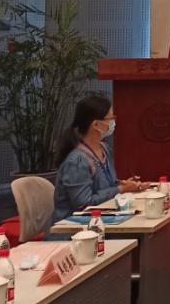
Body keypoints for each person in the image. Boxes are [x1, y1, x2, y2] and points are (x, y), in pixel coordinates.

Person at [52, 94, 146, 224]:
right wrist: (120, 189)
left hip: (101, 219)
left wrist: (124, 185)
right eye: (111, 119)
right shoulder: (77, 161)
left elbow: (106, 186)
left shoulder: (104, 149)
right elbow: (84, 204)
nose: (113, 122)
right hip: (74, 226)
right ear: (96, 124)